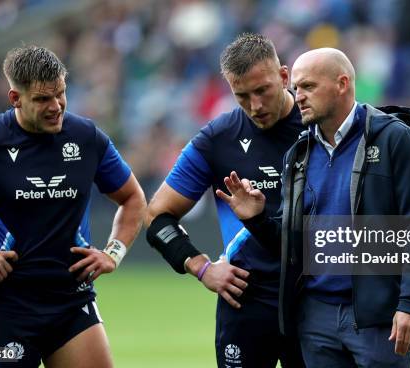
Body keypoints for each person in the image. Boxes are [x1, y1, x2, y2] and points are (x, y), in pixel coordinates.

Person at [217, 48, 410, 367]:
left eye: (308, 86)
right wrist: (257, 219)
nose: (298, 97)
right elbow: (292, 244)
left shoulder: (393, 139)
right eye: (295, 88)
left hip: (377, 319)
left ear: (342, 83)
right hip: (316, 319)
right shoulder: (299, 154)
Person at [0, 46, 146, 367]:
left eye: (61, 94)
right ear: (15, 98)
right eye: (42, 100)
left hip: (72, 303)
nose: (56, 107)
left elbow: (133, 198)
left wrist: (113, 252)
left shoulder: (85, 137)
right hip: (10, 311)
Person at [144, 33, 305, 368]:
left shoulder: (318, 126)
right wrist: (201, 267)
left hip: (314, 301)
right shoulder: (217, 139)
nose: (255, 106)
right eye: (242, 96)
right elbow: (156, 216)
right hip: (245, 301)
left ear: (285, 76)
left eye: (263, 90)